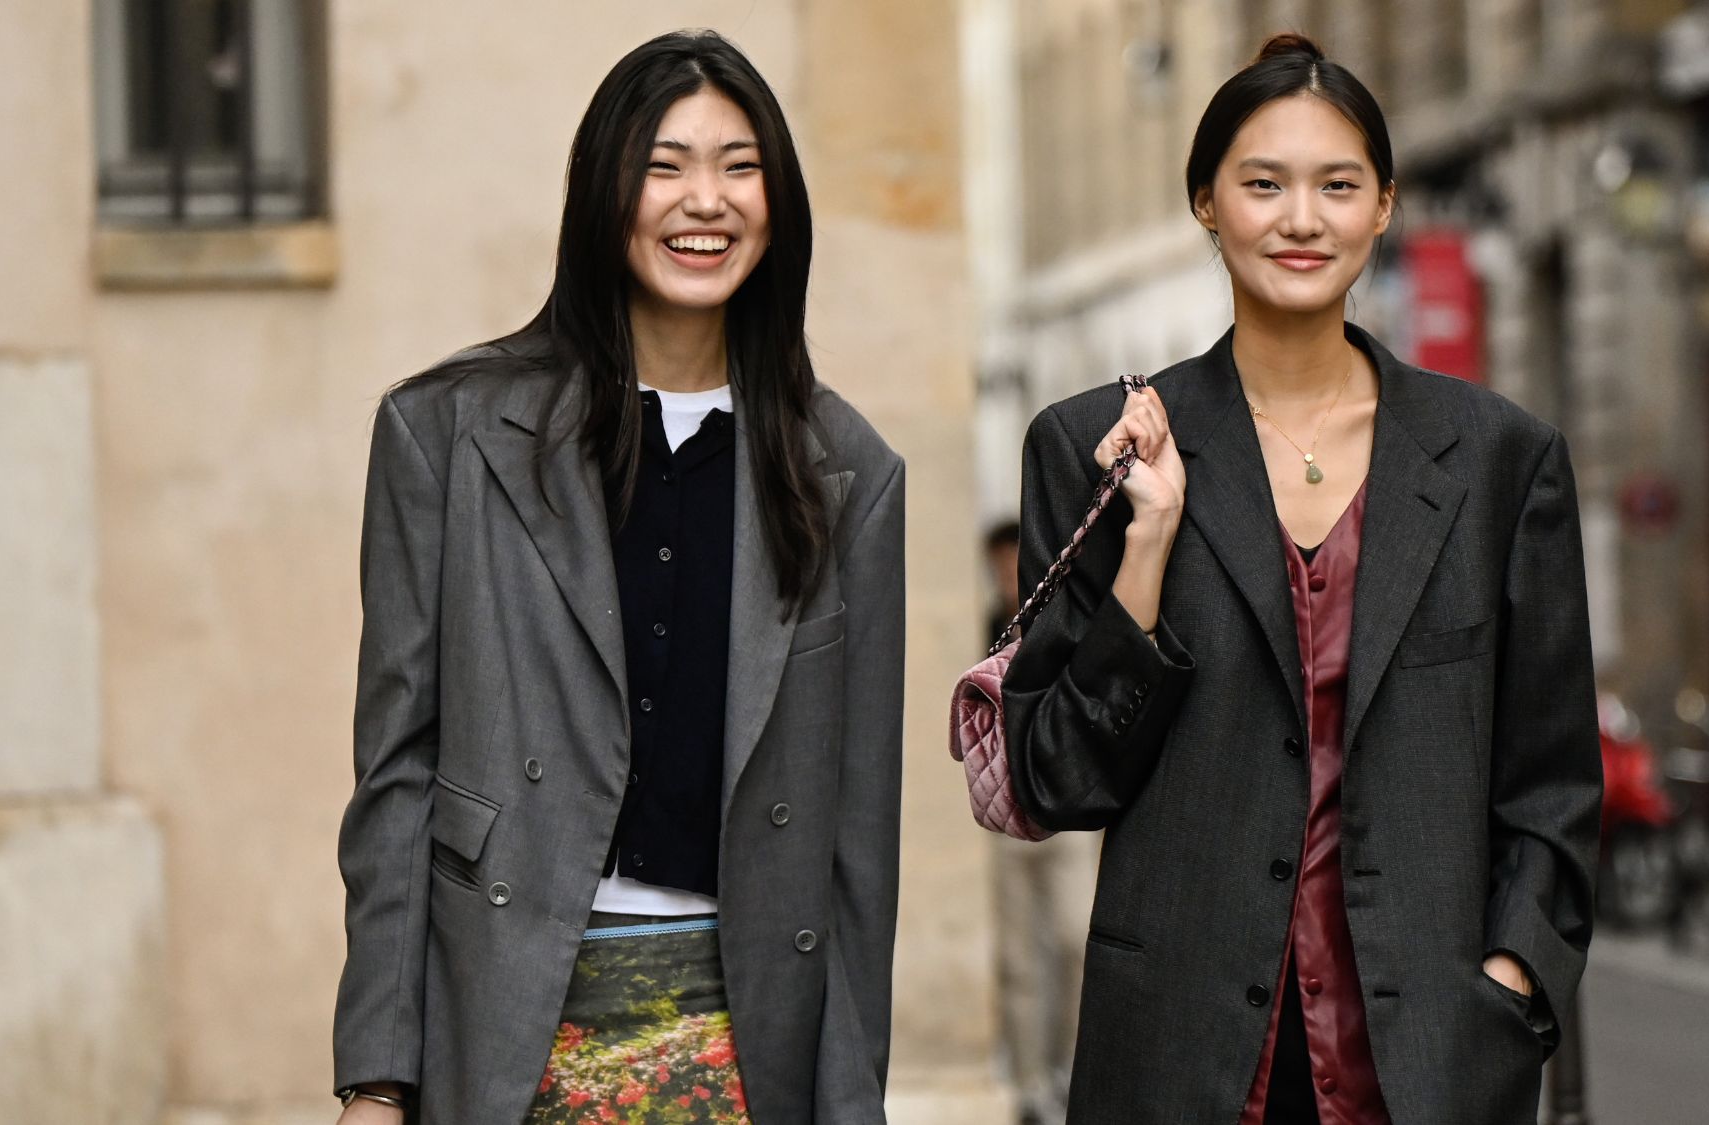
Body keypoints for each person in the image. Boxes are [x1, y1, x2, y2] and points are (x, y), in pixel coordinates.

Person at [1001, 33, 1600, 1125]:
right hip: (1180, 1057)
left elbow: (1552, 786)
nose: (1299, 219)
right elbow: (1055, 783)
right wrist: (1149, 544)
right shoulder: (1095, 446)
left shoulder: (1498, 461)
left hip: (1424, 1061)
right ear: (1204, 203)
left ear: (1382, 207)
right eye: (1261, 184)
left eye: (1336, 185)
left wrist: (1510, 985)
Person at [332, 31, 906, 1125]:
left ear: (778, 200)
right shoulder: (447, 435)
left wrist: (851, 1102)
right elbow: (396, 776)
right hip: (505, 1018)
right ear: (602, 188)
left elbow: (854, 846)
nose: (707, 201)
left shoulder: (846, 473)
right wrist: (376, 1074)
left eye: (740, 166)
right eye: (665, 164)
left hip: (745, 1041)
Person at [981, 520, 1095, 1125]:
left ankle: (1070, 1073)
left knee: (1076, 940)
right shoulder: (983, 627)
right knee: (1021, 956)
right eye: (1000, 562)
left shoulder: (1068, 616)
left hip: (1067, 811)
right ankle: (1029, 1088)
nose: (1007, 573)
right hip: (1004, 812)